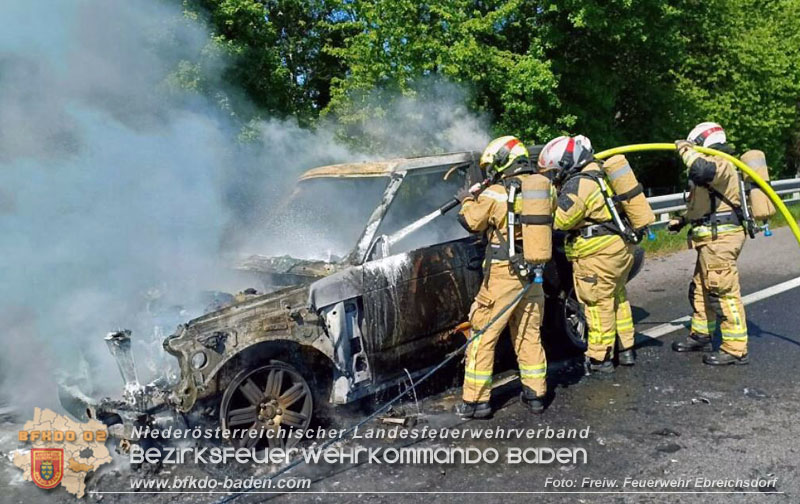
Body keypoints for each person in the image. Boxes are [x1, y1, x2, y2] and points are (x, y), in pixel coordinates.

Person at [455, 136, 554, 418]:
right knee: (528, 335)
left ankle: (476, 402)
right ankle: (536, 396)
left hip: (503, 275)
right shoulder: (545, 188)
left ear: (502, 162)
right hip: (534, 274)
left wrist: (466, 200)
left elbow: (471, 222)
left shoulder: (495, 193)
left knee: (482, 335)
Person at [542, 135, 637, 373]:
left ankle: (600, 359)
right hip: (618, 248)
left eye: (556, 170)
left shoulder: (578, 184)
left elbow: (561, 221)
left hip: (597, 253)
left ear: (566, 163)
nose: (555, 175)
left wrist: (546, 201)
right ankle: (626, 350)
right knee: (617, 298)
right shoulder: (600, 173)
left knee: (596, 304)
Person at [669, 122, 749, 365]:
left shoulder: (722, 161)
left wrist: (686, 150)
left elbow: (702, 171)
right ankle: (702, 333)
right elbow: (705, 206)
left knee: (722, 292)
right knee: (702, 288)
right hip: (709, 239)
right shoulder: (715, 164)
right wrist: (682, 220)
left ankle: (735, 348)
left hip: (721, 240)